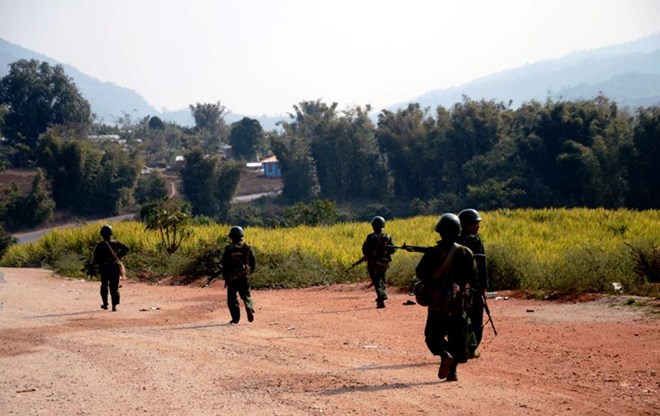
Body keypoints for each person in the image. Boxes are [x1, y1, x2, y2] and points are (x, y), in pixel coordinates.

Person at [415, 213, 476, 382]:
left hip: (438, 303)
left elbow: (420, 273)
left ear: (440, 232)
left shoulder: (433, 253)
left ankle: (444, 354)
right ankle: (453, 373)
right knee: (456, 337)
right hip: (458, 303)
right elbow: (473, 276)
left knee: (432, 336)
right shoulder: (466, 253)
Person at [457, 208, 489, 358]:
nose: (477, 226)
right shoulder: (475, 240)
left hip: (458, 284)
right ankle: (472, 347)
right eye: (474, 223)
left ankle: (463, 346)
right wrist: (484, 286)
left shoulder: (455, 238)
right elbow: (482, 266)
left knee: (461, 316)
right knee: (476, 317)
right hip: (473, 285)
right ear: (466, 224)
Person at [222, 226, 256, 324]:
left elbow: (225, 263)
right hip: (244, 276)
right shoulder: (246, 247)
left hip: (232, 278)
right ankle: (249, 307)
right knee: (246, 295)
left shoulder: (229, 248)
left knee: (232, 298)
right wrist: (250, 271)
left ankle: (235, 319)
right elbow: (252, 260)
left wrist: (226, 276)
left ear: (231, 236)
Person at [361, 216, 396, 309]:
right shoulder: (388, 237)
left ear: (374, 226)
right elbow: (393, 250)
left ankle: (381, 298)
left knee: (377, 282)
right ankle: (381, 296)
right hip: (384, 263)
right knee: (381, 280)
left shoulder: (370, 237)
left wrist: (368, 256)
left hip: (373, 263)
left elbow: (365, 249)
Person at [92, 224, 129, 312]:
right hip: (114, 267)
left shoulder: (100, 245)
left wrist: (94, 266)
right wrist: (118, 256)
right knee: (114, 287)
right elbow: (126, 249)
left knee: (104, 286)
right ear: (111, 233)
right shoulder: (116, 243)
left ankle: (105, 304)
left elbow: (96, 258)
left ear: (101, 234)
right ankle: (114, 305)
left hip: (104, 268)